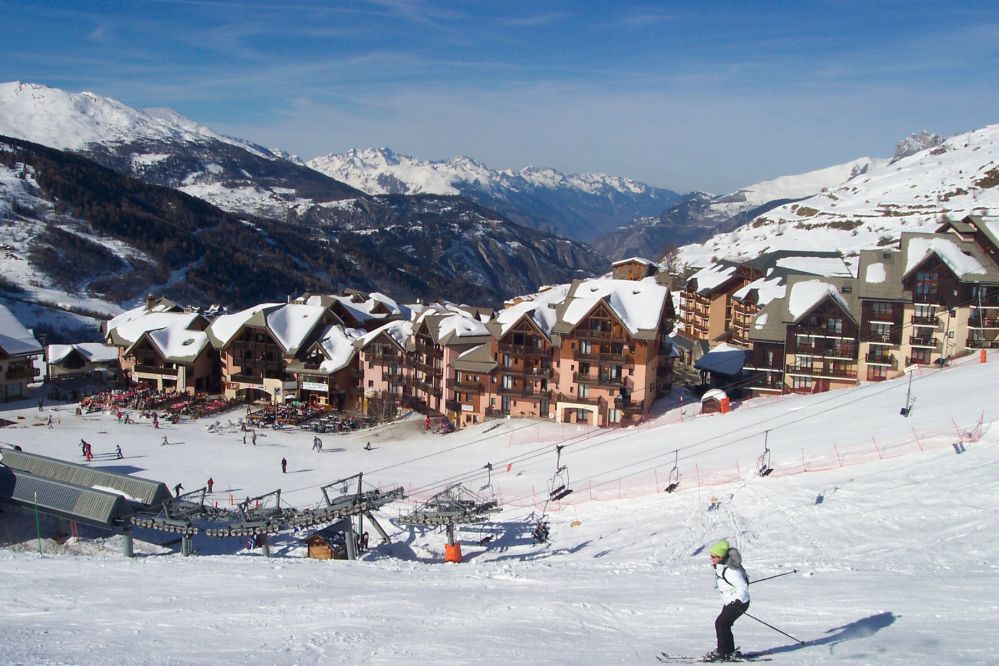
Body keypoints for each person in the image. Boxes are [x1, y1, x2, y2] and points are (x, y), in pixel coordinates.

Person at [705, 540, 750, 662]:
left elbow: (742, 586)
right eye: (711, 556)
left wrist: (738, 601)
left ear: (721, 557)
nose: (711, 559)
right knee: (724, 624)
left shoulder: (731, 570)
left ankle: (724, 653)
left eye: (713, 556)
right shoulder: (723, 566)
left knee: (721, 623)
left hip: (738, 603)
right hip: (730, 601)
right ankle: (727, 651)